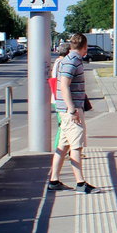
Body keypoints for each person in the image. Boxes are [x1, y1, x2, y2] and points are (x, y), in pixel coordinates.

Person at [53, 33, 97, 194]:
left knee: (63, 146)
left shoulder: (68, 60)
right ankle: (80, 183)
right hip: (71, 110)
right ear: (84, 47)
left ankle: (54, 180)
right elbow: (65, 85)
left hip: (66, 109)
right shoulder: (72, 61)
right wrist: (72, 109)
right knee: (76, 146)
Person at [46, 43, 72, 190]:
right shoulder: (62, 62)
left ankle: (63, 151)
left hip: (58, 99)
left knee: (62, 128)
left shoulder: (57, 62)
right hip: (60, 101)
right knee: (63, 128)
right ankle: (61, 151)